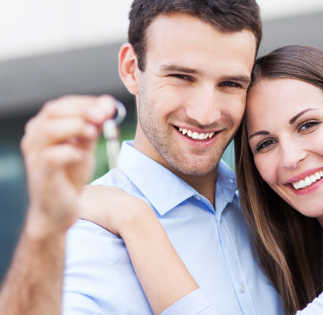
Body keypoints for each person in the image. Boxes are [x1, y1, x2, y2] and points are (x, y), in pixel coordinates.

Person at [81, 45, 323, 314]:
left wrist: (137, 222)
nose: (291, 158)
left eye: (308, 125)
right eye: (265, 143)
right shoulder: (311, 254)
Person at [0, 1, 283, 315]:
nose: (205, 114)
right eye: (181, 77)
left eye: (230, 84)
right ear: (131, 69)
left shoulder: (277, 206)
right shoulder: (86, 237)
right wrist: (43, 225)